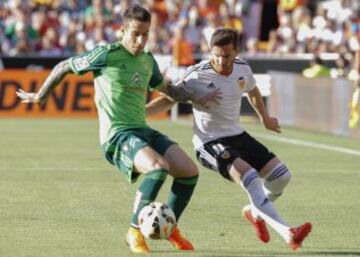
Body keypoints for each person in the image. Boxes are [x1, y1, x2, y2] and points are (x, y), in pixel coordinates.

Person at [16, 5, 220, 254]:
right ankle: (134, 231)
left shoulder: (147, 60)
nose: (141, 40)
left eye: (145, 34)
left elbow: (169, 91)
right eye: (135, 33)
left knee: (189, 172)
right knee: (158, 168)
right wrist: (41, 95)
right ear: (122, 30)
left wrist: (199, 96)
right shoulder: (106, 54)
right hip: (117, 135)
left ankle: (169, 227)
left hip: (142, 130)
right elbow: (64, 66)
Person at [146, 28, 312, 250]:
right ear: (210, 51)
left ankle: (254, 212)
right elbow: (168, 100)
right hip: (209, 142)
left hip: (238, 135)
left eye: (226, 55)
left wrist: (264, 118)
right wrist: (140, 113)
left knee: (281, 177)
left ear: (236, 52)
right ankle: (288, 233)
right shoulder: (196, 74)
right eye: (216, 54)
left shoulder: (243, 68)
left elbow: (252, 91)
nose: (221, 60)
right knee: (251, 178)